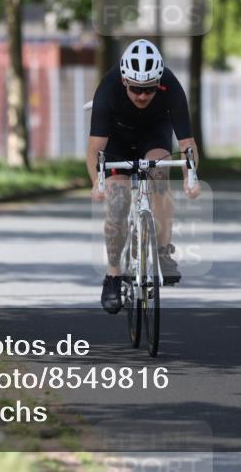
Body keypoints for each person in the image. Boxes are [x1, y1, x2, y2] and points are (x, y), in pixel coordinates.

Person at [87, 39, 201, 314]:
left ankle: (163, 252)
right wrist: (96, 183)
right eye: (136, 89)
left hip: (154, 133)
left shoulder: (171, 85)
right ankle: (113, 275)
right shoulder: (109, 88)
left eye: (149, 89)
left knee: (159, 176)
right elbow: (95, 149)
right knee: (117, 202)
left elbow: (187, 144)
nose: (142, 96)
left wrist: (191, 176)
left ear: (158, 82)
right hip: (117, 139)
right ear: (125, 80)